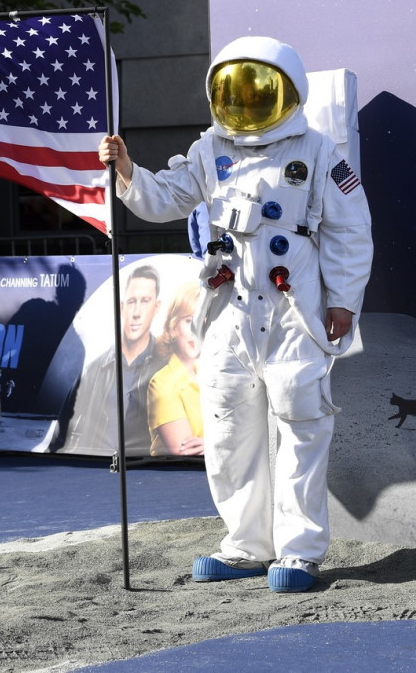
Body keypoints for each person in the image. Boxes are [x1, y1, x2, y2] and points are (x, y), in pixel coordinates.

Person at [98, 36, 374, 592]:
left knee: (300, 425)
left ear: (288, 91)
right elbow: (165, 198)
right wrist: (127, 169)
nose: (247, 104)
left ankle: (298, 553)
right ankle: (247, 546)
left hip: (293, 309)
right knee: (228, 429)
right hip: (228, 308)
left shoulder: (317, 151)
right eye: (235, 92)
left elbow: (349, 229)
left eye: (259, 92)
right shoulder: (209, 149)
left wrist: (343, 301)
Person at [58, 264, 165, 457]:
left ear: (156, 307)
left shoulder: (167, 367)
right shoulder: (94, 369)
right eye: (132, 301)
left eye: (145, 301)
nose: (136, 312)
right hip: (96, 466)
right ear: (122, 307)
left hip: (150, 466)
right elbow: (68, 428)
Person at [146, 280, 204, 456]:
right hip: (181, 471)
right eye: (189, 321)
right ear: (172, 328)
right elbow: (186, 451)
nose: (197, 330)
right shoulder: (162, 383)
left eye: (204, 321)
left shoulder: (221, 373)